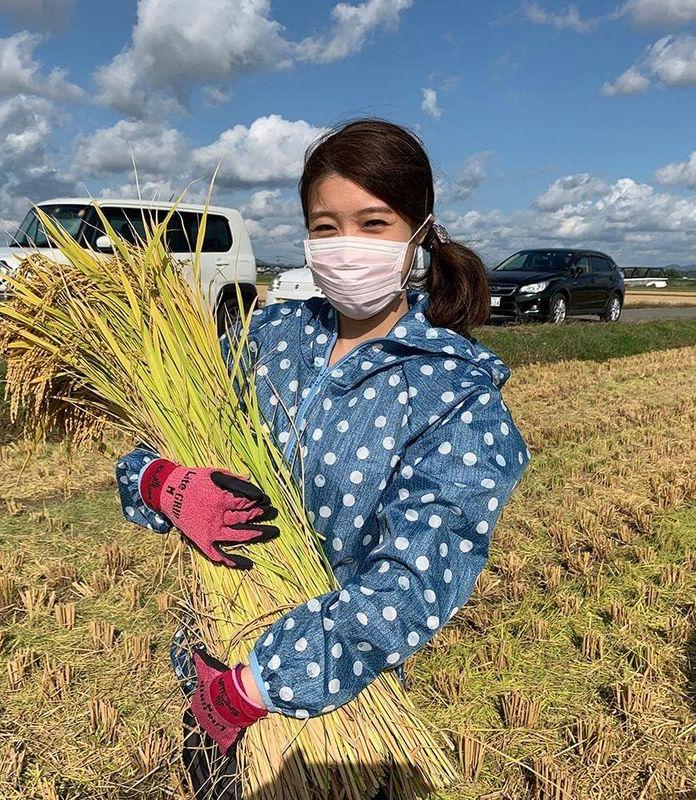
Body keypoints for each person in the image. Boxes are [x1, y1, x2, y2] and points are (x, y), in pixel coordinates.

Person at [115, 117, 532, 799]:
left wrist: (257, 685)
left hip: (327, 708)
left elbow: (411, 585)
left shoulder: (455, 395)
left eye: (373, 224)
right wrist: (162, 484)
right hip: (207, 671)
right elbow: (141, 457)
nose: (347, 247)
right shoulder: (263, 338)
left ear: (421, 232)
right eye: (326, 226)